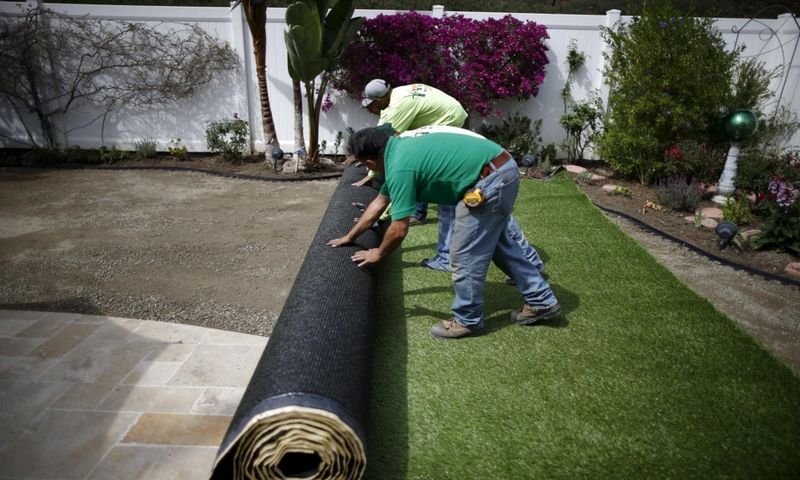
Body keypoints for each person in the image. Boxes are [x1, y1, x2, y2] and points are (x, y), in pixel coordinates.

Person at [327, 127, 561, 339]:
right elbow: (379, 202)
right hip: (500, 169)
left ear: (370, 162)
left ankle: (468, 321)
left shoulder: (400, 166)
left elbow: (399, 228)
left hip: (489, 180)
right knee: (500, 245)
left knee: (463, 254)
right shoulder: (397, 151)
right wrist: (351, 237)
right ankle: (541, 301)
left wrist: (379, 253)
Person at [356, 79, 467, 271]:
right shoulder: (396, 95)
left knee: (439, 188)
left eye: (371, 105)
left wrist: (372, 174)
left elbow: (382, 144)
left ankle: (446, 256)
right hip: (454, 119)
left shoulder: (398, 107)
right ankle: (419, 213)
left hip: (448, 120)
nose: (369, 110)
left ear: (381, 99)